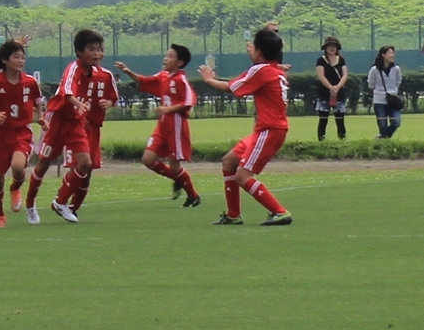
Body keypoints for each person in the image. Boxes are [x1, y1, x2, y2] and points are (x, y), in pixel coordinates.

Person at [199, 27, 292, 226]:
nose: (250, 50)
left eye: (254, 48)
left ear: (259, 51)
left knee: (243, 175)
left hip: (269, 129)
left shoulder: (262, 69)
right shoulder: (275, 70)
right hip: (269, 129)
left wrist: (208, 79)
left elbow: (231, 87)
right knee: (229, 161)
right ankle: (233, 215)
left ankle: (279, 211)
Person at [25, 29, 112, 224]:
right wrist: (77, 103)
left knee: (86, 164)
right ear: (80, 52)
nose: (97, 53)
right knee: (44, 163)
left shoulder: (99, 74)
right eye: (92, 49)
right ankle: (30, 204)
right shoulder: (73, 68)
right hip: (57, 120)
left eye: (100, 49)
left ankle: (60, 201)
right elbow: (66, 89)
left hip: (76, 123)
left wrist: (105, 103)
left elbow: (109, 96)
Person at [116, 45, 200, 207]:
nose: (165, 59)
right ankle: (180, 181)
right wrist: (128, 71)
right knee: (148, 160)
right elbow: (144, 81)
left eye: (170, 56)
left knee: (175, 167)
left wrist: (168, 109)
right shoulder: (163, 76)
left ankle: (193, 195)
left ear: (179, 62)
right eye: (166, 55)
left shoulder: (180, 80)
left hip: (176, 127)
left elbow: (189, 101)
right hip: (162, 126)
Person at [0, 40, 44, 228]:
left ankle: (15, 188)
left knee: (18, 167)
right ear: (4, 60)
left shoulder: (30, 81)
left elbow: (37, 99)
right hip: (0, 135)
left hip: (21, 132)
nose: (20, 61)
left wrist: (40, 116)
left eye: (23, 57)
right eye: (16, 57)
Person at [315, 36, 348, 141]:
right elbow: (321, 76)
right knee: (323, 119)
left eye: (334, 46)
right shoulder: (320, 60)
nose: (332, 48)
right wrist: (330, 87)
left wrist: (338, 87)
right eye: (329, 46)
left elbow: (345, 75)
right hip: (324, 93)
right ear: (325, 48)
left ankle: (342, 140)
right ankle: (321, 141)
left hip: (339, 93)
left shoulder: (341, 60)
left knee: (340, 119)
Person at [367, 45, 402, 139]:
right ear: (383, 55)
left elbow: (398, 82)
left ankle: (382, 137)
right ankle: (384, 140)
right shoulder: (374, 70)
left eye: (393, 53)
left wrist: (393, 91)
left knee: (396, 122)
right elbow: (371, 85)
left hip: (393, 99)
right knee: (382, 125)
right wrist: (379, 92)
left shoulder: (396, 69)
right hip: (379, 101)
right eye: (390, 53)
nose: (392, 55)